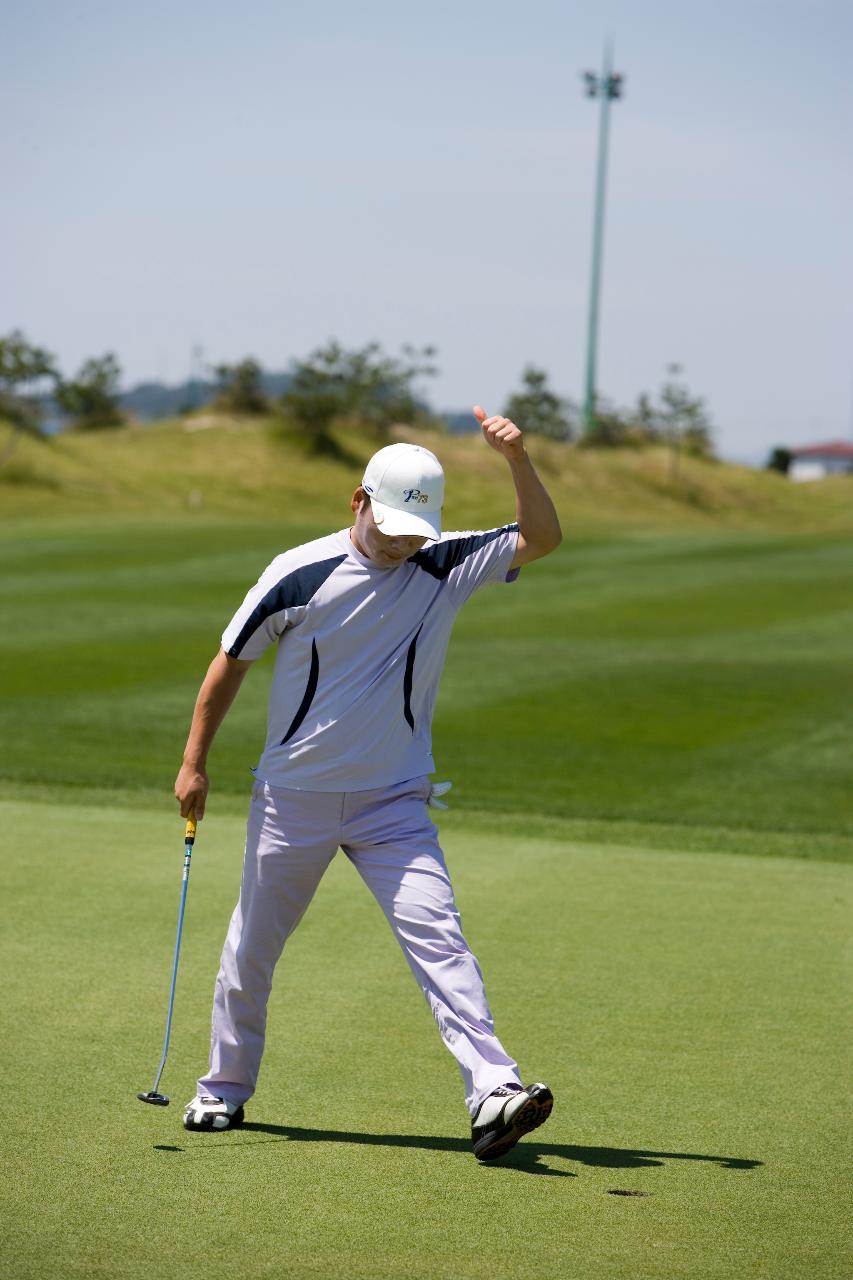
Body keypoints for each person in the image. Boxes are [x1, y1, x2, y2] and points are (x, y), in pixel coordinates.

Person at [174, 405, 562, 1161]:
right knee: (251, 949)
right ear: (357, 502)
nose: (397, 542)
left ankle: (493, 1091)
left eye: (410, 531)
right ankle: (222, 1090)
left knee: (439, 939)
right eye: (385, 525)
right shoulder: (299, 572)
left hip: (395, 803)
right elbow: (230, 663)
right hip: (294, 799)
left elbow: (541, 539)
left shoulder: (444, 561)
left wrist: (516, 461)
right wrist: (194, 762)